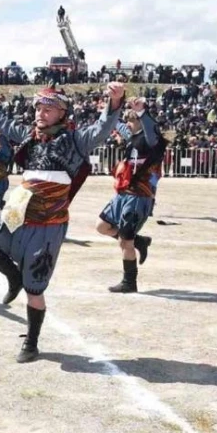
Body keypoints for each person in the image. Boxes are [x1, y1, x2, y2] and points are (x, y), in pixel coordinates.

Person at [0, 83, 125, 363]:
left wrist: (115, 100)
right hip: (17, 212)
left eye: (48, 110)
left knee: (35, 289)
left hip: (48, 223)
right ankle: (12, 277)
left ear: (62, 113)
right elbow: (3, 122)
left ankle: (32, 343)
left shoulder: (76, 141)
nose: (41, 114)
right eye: (38, 108)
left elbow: (102, 128)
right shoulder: (29, 135)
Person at [95, 98, 162, 293]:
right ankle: (139, 241)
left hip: (139, 195)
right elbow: (118, 126)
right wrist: (108, 110)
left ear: (140, 122)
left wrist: (141, 112)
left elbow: (152, 130)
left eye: (131, 121)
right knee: (102, 226)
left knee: (126, 241)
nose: (127, 124)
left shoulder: (151, 141)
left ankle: (129, 281)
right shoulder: (133, 136)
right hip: (124, 192)